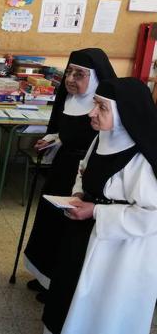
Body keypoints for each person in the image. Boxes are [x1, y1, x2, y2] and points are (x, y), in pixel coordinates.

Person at [43, 77, 157, 334]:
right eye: (95, 103)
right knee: (68, 295)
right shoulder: (101, 139)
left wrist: (96, 211)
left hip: (120, 251)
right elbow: (83, 172)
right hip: (84, 233)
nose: (92, 113)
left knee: (103, 309)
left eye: (102, 107)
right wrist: (80, 193)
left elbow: (152, 215)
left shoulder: (141, 159)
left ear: (124, 114)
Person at [23, 49, 116, 301]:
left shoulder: (104, 108)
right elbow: (63, 133)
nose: (71, 79)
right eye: (69, 72)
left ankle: (59, 283)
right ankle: (44, 275)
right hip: (61, 168)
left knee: (69, 226)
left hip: (85, 175)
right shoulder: (68, 99)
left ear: (95, 78)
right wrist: (51, 139)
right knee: (50, 219)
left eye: (80, 74)